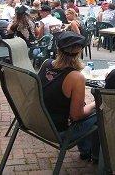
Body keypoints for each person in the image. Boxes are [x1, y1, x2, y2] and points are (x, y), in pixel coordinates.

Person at [38, 31, 98, 162]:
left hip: (40, 124)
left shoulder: (46, 63)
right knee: (100, 113)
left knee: (82, 105)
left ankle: (86, 151)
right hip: (59, 132)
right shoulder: (76, 77)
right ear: (79, 52)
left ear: (58, 49)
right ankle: (92, 154)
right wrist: (95, 104)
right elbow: (76, 116)